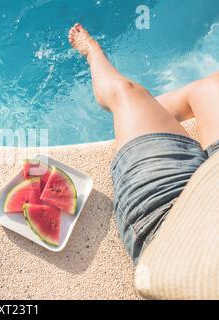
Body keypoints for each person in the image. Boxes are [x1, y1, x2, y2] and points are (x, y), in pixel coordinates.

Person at [68, 23, 219, 264]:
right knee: (211, 87)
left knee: (123, 91)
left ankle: (95, 56)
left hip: (178, 226)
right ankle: (143, 113)